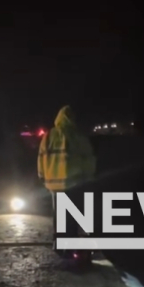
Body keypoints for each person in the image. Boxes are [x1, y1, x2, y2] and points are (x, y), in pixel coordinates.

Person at [37, 105, 96, 258]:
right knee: (71, 216)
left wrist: (42, 176)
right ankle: (70, 247)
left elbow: (41, 157)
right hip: (73, 183)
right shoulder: (77, 136)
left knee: (58, 215)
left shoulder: (48, 135)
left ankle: (59, 244)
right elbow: (88, 158)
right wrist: (89, 176)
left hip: (54, 184)